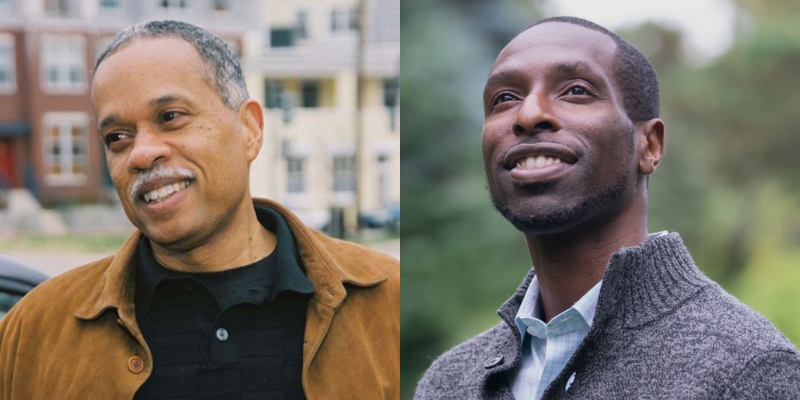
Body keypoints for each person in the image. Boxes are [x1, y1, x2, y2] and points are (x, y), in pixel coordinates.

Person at [0, 21, 399, 399]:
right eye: (117, 137)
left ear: (250, 130)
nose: (141, 152)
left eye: (170, 117)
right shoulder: (32, 331)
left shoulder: (388, 302)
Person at [414, 16, 800, 400]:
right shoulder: (449, 382)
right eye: (505, 98)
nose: (528, 114)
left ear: (649, 145)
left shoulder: (749, 368)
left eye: (576, 90)